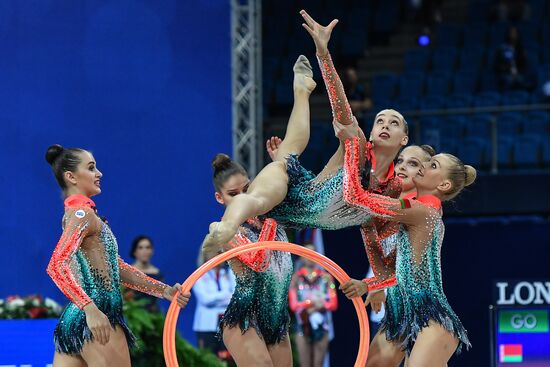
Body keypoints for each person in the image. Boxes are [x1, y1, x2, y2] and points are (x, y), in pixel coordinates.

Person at [203, 10, 408, 254]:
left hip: (307, 217)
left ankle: (301, 90)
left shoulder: (395, 186)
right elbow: (341, 109)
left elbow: (380, 231)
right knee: (273, 177)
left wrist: (371, 285)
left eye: (394, 123)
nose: (385, 125)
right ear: (371, 133)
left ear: (404, 139)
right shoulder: (358, 146)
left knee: (287, 153)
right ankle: (225, 227)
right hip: (297, 198)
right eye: (380, 120)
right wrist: (323, 54)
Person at [45, 144, 189, 367]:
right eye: (91, 168)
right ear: (71, 177)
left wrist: (164, 291)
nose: (99, 173)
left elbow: (116, 268)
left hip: (77, 319)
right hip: (99, 316)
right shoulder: (81, 214)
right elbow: (56, 265)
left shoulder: (82, 214)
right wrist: (91, 309)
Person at [341, 140, 474, 366]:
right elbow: (401, 270)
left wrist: (352, 145)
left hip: (431, 319)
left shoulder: (420, 211)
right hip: (399, 317)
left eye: (432, 166)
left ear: (443, 185)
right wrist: (371, 284)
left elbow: (356, 198)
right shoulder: (416, 209)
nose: (424, 166)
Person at [209, 153, 294, 367]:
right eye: (233, 194)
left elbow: (308, 204)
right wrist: (270, 223)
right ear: (220, 198)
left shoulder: (273, 210)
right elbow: (258, 260)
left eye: (246, 190)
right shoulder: (224, 229)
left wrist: (281, 171)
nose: (243, 198)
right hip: (244, 318)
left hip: (275, 319)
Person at [289, 243, 338, 367]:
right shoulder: (295, 278)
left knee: (318, 364)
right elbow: (294, 305)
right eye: (307, 253)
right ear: (301, 256)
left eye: (313, 253)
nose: (310, 257)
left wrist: (316, 305)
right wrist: (311, 303)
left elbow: (333, 304)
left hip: (322, 326)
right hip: (302, 326)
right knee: (304, 364)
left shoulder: (326, 278)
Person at [193, 249, 236, 357]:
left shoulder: (231, 273)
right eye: (212, 251)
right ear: (204, 254)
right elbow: (205, 299)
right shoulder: (198, 275)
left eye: (218, 252)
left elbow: (236, 296)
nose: (215, 254)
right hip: (206, 326)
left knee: (229, 359)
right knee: (207, 359)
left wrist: (216, 297)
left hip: (228, 324)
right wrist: (226, 295)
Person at [124, 235, 165, 312]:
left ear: (152, 251)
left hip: (154, 316)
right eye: (140, 248)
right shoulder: (127, 273)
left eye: (148, 247)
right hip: (131, 317)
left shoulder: (158, 274)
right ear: (134, 251)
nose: (144, 251)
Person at [495, 26, 530, 91]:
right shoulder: (502, 48)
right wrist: (506, 69)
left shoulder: (521, 49)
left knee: (520, 80)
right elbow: (497, 64)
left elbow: (523, 64)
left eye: (514, 33)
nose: (513, 34)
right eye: (511, 32)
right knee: (509, 80)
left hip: (519, 73)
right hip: (505, 73)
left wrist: (517, 72)